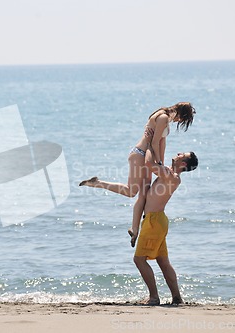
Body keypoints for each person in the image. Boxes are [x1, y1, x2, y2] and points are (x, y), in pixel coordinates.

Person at [79, 102, 195, 246]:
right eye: (182, 120)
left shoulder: (166, 118)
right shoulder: (163, 117)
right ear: (181, 114)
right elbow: (153, 144)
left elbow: (161, 144)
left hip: (147, 156)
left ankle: (135, 230)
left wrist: (161, 167)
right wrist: (158, 164)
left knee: (143, 194)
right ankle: (97, 183)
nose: (179, 122)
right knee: (131, 191)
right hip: (141, 154)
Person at [133, 149, 198, 305]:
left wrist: (147, 146)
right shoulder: (168, 173)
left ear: (183, 164)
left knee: (139, 260)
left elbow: (148, 164)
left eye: (182, 154)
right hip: (157, 221)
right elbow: (154, 165)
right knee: (163, 261)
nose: (178, 152)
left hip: (154, 222)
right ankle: (177, 298)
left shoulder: (172, 177)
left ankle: (154, 297)